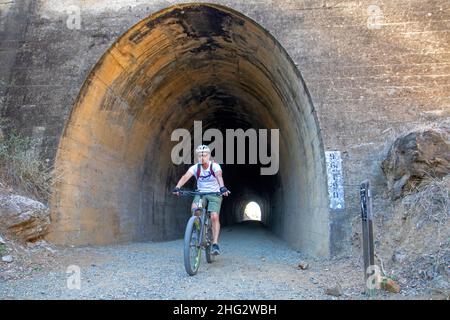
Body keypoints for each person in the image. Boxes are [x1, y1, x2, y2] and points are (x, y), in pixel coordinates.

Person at [172, 145, 230, 255]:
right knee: (195, 209)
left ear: (208, 156)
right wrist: (177, 187)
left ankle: (215, 243)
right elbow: (186, 176)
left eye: (204, 155)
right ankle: (197, 230)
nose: (202, 157)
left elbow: (219, 176)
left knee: (214, 216)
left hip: (215, 193)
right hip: (201, 193)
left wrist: (222, 187)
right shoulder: (195, 168)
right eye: (199, 155)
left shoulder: (215, 166)